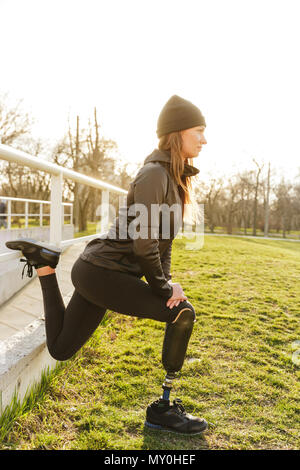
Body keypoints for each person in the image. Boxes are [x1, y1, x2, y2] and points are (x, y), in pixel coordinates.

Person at [6, 95, 208, 435]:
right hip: (103, 273)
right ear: (178, 133)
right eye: (199, 131)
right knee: (181, 313)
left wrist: (168, 281)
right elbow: (145, 246)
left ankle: (45, 266)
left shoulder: (174, 180)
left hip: (102, 275)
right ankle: (164, 408)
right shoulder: (154, 175)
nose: (205, 139)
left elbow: (162, 246)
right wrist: (163, 288)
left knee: (60, 348)